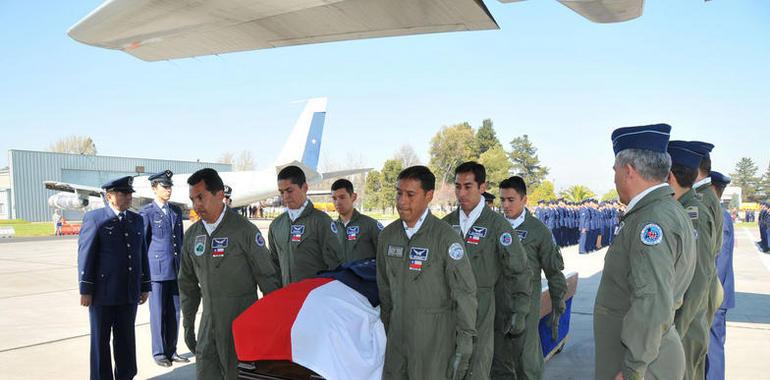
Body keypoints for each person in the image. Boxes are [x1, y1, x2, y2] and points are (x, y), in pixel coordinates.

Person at [594, 124, 696, 380]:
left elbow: (651, 302)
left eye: (615, 171)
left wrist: (632, 368)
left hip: (643, 364)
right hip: (648, 356)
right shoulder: (666, 210)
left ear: (629, 170)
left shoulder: (651, 221)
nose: (613, 179)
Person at [178, 168, 281, 380]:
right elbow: (187, 284)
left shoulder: (244, 231)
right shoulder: (193, 235)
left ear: (219, 195)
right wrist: (188, 324)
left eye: (201, 197)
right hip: (208, 328)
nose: (196, 205)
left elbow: (268, 279)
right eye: (192, 199)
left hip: (241, 328)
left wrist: (275, 326)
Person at [377, 165, 478, 379]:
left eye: (410, 194)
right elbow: (384, 289)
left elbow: (464, 293)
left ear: (429, 195)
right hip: (397, 341)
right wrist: (387, 329)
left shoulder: (445, 237)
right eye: (399, 193)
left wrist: (465, 344)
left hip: (434, 344)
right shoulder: (387, 236)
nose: (402, 201)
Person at [442, 162, 531, 380]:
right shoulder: (445, 225)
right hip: (448, 305)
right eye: (457, 186)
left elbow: (519, 269)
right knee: (447, 365)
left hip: (482, 305)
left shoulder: (498, 226)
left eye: (468, 186)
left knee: (477, 364)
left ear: (482, 187)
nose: (461, 193)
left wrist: (520, 309)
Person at [78, 176, 150, 380]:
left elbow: (141, 254)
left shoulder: (136, 219)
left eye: (129, 193)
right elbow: (86, 254)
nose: (128, 197)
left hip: (128, 292)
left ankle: (126, 376)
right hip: (103, 293)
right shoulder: (95, 218)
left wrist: (144, 285)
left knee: (126, 339)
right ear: (109, 196)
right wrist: (86, 289)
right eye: (123, 193)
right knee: (101, 340)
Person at [495, 175, 567, 380]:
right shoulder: (495, 226)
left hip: (526, 303)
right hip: (497, 302)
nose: (505, 205)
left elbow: (553, 272)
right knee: (498, 362)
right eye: (502, 200)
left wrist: (557, 303)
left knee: (526, 361)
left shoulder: (538, 231)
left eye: (511, 200)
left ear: (524, 200)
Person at [667, 141, 715, 380]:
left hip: (687, 324)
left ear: (670, 176)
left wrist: (677, 329)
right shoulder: (683, 209)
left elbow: (699, 277)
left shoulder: (691, 213)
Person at [139, 170, 188, 367]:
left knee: (175, 311)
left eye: (170, 186)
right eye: (164, 186)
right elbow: (142, 244)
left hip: (175, 269)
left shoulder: (175, 211)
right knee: (158, 312)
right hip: (156, 270)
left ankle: (172, 349)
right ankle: (159, 352)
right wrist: (143, 275)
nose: (168, 190)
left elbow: (180, 242)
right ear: (154, 188)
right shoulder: (147, 212)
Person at [268, 165, 343, 286]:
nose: (285, 196)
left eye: (289, 190)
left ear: (305, 188)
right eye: (281, 192)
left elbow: (335, 265)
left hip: (314, 298)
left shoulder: (321, 221)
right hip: (287, 298)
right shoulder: (276, 225)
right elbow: (274, 266)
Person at [705, 171, 735, 380]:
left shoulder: (720, 217)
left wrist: (708, 295)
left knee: (713, 348)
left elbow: (720, 262)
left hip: (714, 296)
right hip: (714, 294)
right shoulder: (717, 213)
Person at [330, 178, 382, 263]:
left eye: (342, 197)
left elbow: (385, 256)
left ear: (353, 197)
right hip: (339, 276)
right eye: (334, 198)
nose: (338, 202)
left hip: (363, 275)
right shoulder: (330, 228)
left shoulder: (370, 225)